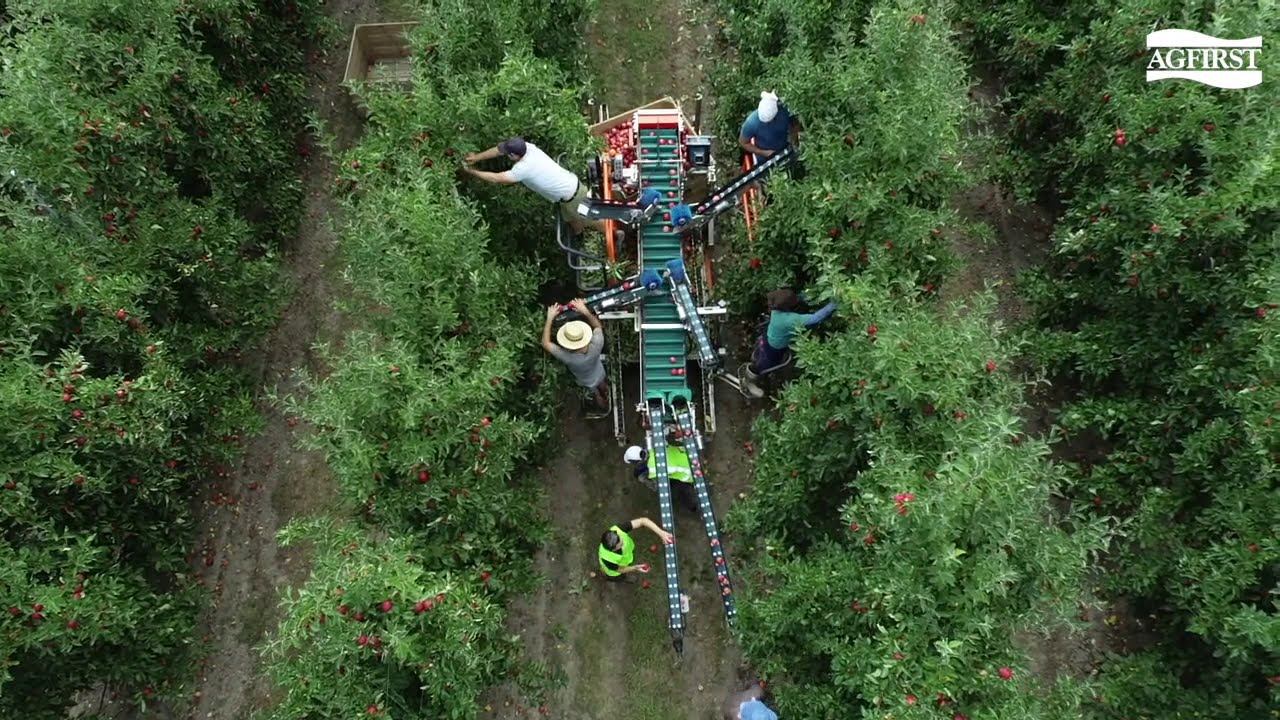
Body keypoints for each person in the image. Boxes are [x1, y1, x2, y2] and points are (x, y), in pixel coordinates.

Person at [462, 137, 606, 234]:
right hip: (567, 194)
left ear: (514, 156)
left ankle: (616, 235)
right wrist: (476, 157)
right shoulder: (529, 148)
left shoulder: (523, 168)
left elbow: (499, 178)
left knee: (595, 221)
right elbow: (498, 150)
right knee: (573, 222)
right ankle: (581, 238)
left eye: (508, 154)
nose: (505, 155)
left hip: (573, 196)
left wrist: (472, 172)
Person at [542, 298, 609, 416]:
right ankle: (606, 393)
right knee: (602, 384)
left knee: (596, 393)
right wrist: (585, 311)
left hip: (586, 381)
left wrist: (549, 318)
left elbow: (546, 344)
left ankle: (603, 403)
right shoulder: (597, 345)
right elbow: (598, 327)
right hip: (599, 373)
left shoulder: (569, 358)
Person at [751, 289, 835, 374]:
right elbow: (815, 318)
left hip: (769, 336)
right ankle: (758, 373)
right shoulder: (788, 319)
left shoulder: (775, 307)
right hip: (775, 346)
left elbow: (797, 298)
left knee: (763, 350)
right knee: (770, 362)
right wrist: (833, 304)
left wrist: (812, 293)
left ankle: (758, 356)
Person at [624, 442, 699, 514]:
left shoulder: (653, 470)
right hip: (689, 455)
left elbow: (657, 486)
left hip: (690, 472)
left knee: (680, 488)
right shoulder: (654, 447)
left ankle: (693, 505)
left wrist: (645, 480)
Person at [598, 517, 674, 581]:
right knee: (619, 576)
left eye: (621, 539)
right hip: (614, 571)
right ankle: (620, 578)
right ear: (613, 550)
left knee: (626, 561)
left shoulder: (618, 530)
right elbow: (620, 569)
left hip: (626, 558)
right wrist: (635, 568)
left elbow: (643, 521)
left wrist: (661, 533)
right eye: (620, 545)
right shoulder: (607, 559)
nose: (623, 543)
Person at [738, 91, 800, 166]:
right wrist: (764, 152)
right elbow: (743, 142)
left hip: (786, 150)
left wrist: (794, 139)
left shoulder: (784, 110)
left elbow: (795, 123)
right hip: (764, 159)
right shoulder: (751, 123)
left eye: (770, 121)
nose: (767, 124)